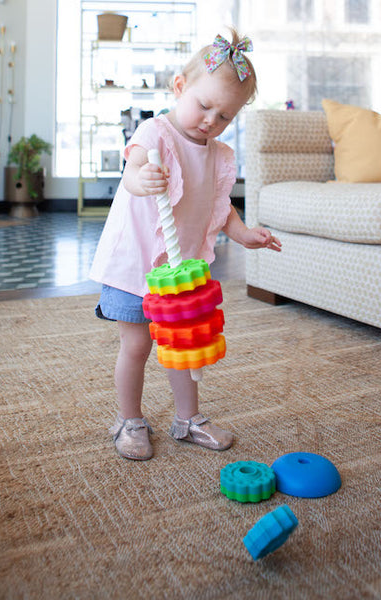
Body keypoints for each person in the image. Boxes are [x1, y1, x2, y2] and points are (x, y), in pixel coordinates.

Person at [89, 29, 282, 461]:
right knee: (137, 346)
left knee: (184, 346)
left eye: (225, 116)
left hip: (181, 273)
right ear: (180, 86)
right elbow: (132, 172)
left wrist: (244, 234)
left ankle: (188, 418)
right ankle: (129, 419)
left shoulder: (218, 154)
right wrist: (141, 178)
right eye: (204, 105)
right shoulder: (155, 133)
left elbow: (220, 207)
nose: (211, 120)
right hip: (134, 266)